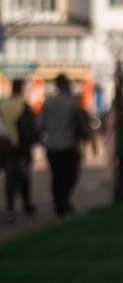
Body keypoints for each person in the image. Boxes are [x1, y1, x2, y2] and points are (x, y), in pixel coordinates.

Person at [39, 73, 92, 217]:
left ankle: (60, 205)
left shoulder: (48, 103)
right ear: (66, 85)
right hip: (68, 146)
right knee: (69, 176)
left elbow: (40, 125)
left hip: (52, 147)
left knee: (57, 177)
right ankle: (63, 202)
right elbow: (82, 126)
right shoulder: (72, 103)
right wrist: (88, 139)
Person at [0, 78, 38, 222]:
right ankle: (26, 205)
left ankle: (10, 209)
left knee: (9, 179)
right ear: (21, 89)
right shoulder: (24, 106)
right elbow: (32, 130)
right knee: (24, 177)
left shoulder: (4, 106)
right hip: (22, 148)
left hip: (6, 148)